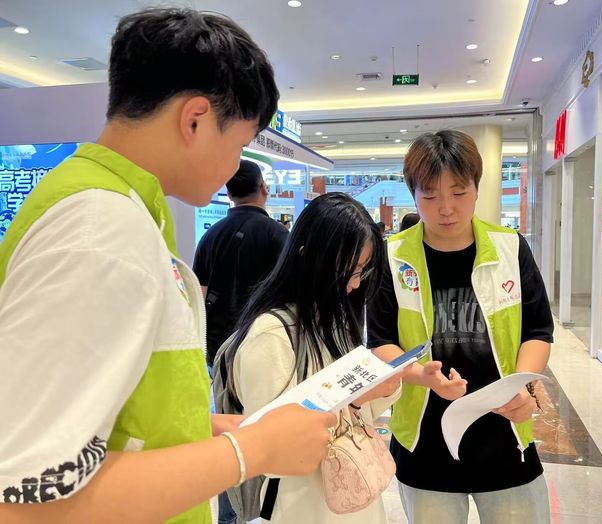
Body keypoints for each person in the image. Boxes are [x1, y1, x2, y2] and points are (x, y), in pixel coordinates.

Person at [0, 8, 335, 523]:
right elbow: (26, 498)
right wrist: (252, 452)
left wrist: (201, 429)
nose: (234, 167)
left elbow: (111, 424)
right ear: (195, 119)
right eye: (239, 144)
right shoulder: (100, 232)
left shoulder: (114, 212)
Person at [368, 130, 553, 524]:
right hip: (425, 441)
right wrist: (420, 375)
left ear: (476, 188)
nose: (446, 208)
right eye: (430, 196)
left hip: (505, 433)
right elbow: (380, 340)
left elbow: (538, 330)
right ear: (413, 195)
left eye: (458, 192)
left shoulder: (510, 248)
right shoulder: (393, 256)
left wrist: (522, 386)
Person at [226, 193, 402, 523]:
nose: (354, 284)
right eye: (348, 271)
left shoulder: (334, 321)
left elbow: (358, 416)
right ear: (307, 257)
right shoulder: (270, 335)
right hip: (303, 504)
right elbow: (273, 448)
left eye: (362, 271)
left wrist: (382, 387)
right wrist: (355, 399)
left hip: (353, 495)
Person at [193, 159, 288, 366]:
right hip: (263, 340)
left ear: (229, 194)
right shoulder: (277, 234)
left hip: (218, 345)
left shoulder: (210, 236)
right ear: (264, 188)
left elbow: (200, 294)